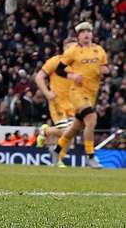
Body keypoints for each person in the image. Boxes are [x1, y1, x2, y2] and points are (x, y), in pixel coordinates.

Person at [52, 22, 109, 169]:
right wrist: (72, 76)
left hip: (92, 94)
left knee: (76, 127)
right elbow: (59, 69)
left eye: (88, 31)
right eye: (83, 32)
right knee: (91, 118)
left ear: (92, 34)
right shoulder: (73, 51)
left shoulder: (99, 50)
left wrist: (105, 71)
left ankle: (57, 151)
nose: (86, 34)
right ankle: (91, 156)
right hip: (76, 92)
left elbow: (104, 68)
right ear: (78, 36)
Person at [34, 37, 78, 151]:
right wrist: (47, 93)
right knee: (65, 131)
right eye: (70, 48)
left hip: (73, 103)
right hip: (57, 101)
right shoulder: (55, 61)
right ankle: (45, 132)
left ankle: (46, 131)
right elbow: (39, 77)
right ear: (64, 49)